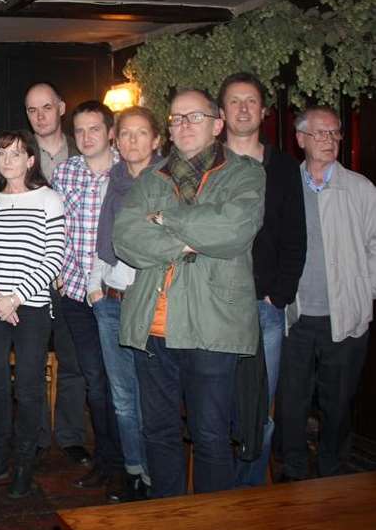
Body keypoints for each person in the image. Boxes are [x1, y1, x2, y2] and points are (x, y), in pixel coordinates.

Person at [113, 88, 265, 498]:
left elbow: (232, 229)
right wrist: (184, 242)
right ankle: (169, 518)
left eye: (193, 117)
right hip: (153, 327)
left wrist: (164, 219)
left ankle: (211, 528)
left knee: (211, 435)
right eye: (176, 119)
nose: (182, 126)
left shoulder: (245, 173)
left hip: (213, 326)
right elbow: (124, 237)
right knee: (159, 432)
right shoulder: (151, 177)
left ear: (217, 125)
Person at [217, 73, 306, 487]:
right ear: (221, 113)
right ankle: (219, 493)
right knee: (216, 407)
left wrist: (278, 296)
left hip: (263, 308)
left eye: (251, 101)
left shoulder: (284, 167)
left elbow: (295, 237)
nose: (243, 108)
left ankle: (251, 492)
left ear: (264, 111)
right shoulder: (208, 163)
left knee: (260, 410)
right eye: (234, 101)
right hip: (214, 305)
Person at [279, 105, 375, 481]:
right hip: (296, 316)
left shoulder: (360, 188)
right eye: (319, 133)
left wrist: (363, 294)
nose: (329, 140)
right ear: (300, 139)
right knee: (292, 402)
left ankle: (333, 471)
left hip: (345, 316)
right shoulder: (286, 187)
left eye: (334, 133)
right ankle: (293, 471)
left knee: (338, 403)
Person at [0, 131, 65, 497]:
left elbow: (53, 256)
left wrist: (16, 297)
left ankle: (24, 466)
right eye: (2, 154)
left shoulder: (48, 199)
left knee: (27, 388)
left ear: (30, 160)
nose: (7, 160)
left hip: (32, 308)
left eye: (16, 154)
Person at [86, 106, 162, 501]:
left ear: (156, 140)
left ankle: (155, 475)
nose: (132, 141)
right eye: (126, 134)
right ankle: (134, 471)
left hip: (150, 303)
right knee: (123, 397)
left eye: (140, 133)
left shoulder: (167, 182)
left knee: (153, 397)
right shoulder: (110, 181)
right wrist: (94, 288)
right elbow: (99, 240)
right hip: (111, 300)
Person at [52, 100, 123, 492]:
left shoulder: (127, 170)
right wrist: (61, 277)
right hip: (77, 294)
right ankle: (106, 460)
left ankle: (126, 463)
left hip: (116, 295)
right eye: (79, 130)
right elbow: (57, 229)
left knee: (120, 384)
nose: (86, 137)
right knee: (95, 380)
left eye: (94, 129)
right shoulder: (66, 172)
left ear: (110, 132)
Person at [24, 81, 91, 467]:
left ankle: (70, 436)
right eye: (32, 110)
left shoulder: (84, 150)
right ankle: (33, 434)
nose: (40, 116)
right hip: (31, 280)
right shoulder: (17, 155)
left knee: (73, 361)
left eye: (46, 107)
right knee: (31, 363)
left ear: (61, 107)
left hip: (72, 280)